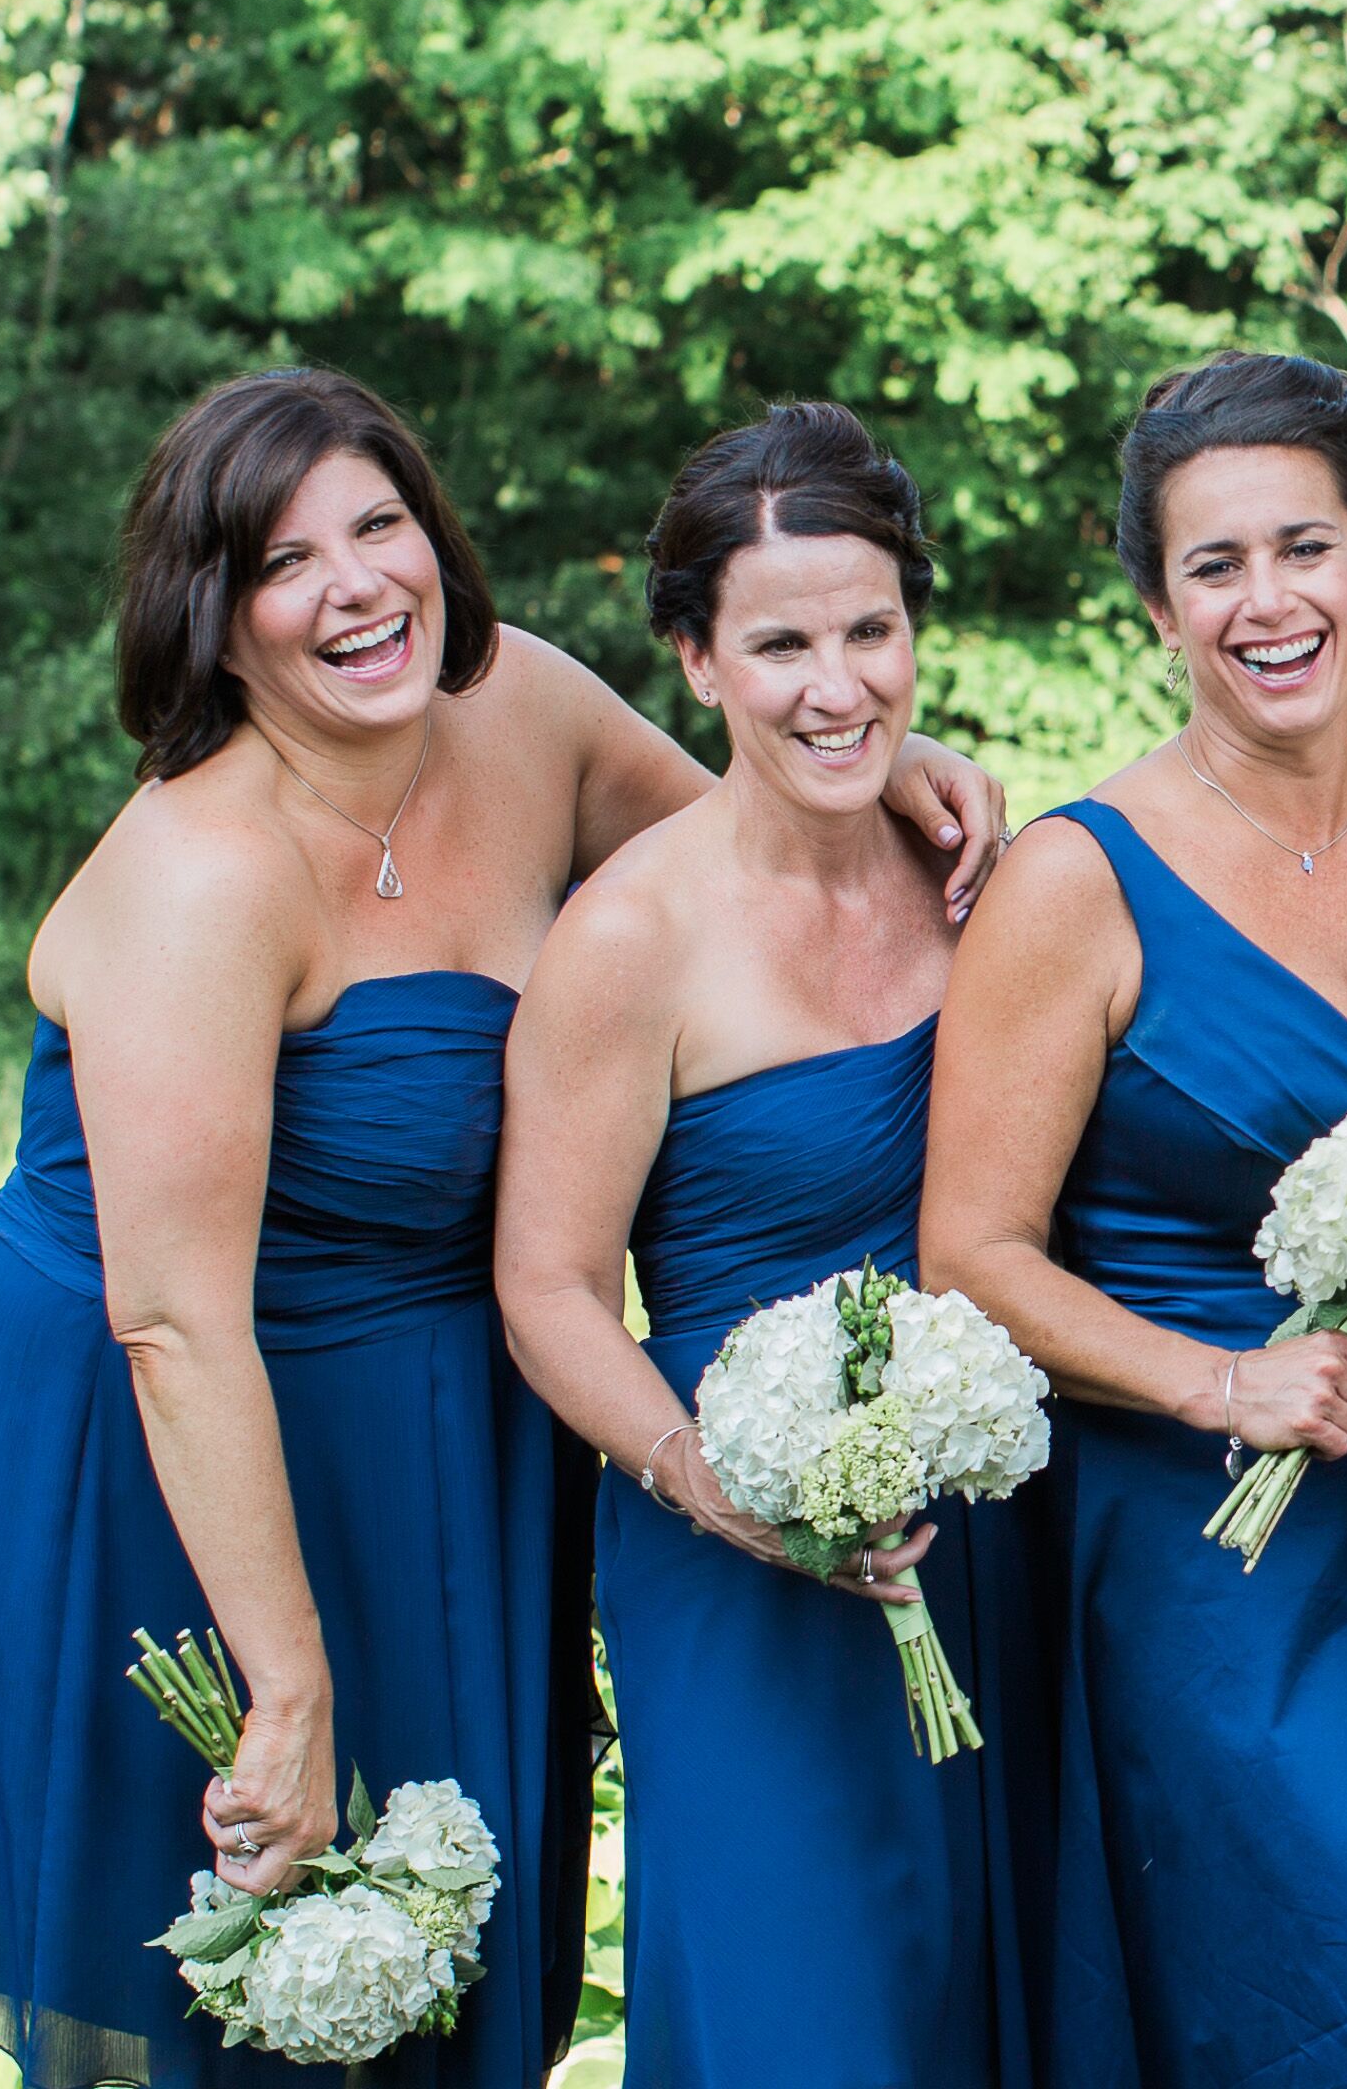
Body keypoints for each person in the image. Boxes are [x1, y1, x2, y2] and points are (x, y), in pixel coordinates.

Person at [0, 364, 1002, 2088]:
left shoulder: (519, 706)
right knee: (273, 1954)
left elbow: (747, 829)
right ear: (213, 619)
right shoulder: (200, 880)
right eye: (287, 560)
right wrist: (285, 1688)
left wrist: (906, 767)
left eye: (380, 524)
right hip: (164, 1423)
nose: (359, 582)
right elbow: (173, 1322)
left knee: (452, 1959)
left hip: (446, 1415)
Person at [922, 350, 1347, 2089]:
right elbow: (972, 1258)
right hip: (1212, 1561)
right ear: (1159, 604)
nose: (1267, 602)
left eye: (1305, 548)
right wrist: (1221, 1385)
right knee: (1305, 2019)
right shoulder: (1077, 880)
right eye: (1213, 566)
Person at [494, 403, 1032, 2089]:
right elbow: (549, 1284)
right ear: (696, 661)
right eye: (782, 641)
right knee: (800, 2006)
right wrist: (707, 1478)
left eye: (873, 631)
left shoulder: (983, 876)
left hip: (987, 1523)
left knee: (981, 1990)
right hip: (735, 1542)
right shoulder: (630, 939)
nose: (840, 685)